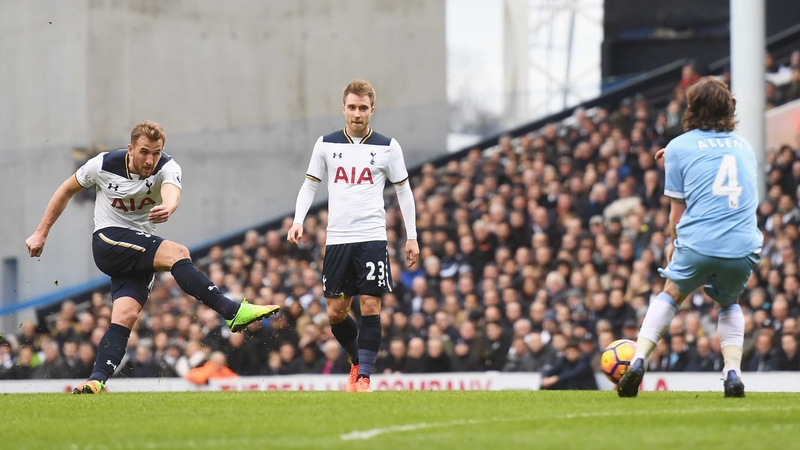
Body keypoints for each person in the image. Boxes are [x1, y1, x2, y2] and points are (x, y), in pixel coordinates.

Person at [25, 120, 280, 394]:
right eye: (144, 152)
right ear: (130, 149)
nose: (150, 160)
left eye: (156, 153)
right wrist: (41, 232)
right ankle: (231, 311)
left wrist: (168, 207)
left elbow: (172, 193)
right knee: (178, 253)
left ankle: (96, 380)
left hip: (139, 251)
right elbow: (66, 190)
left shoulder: (168, 167)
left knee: (125, 316)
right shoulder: (102, 165)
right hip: (108, 242)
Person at [618, 78, 762, 398]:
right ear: (728, 108)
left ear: (692, 108)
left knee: (671, 294)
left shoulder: (679, 147)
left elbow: (677, 214)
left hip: (699, 242)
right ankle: (732, 372)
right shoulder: (745, 146)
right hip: (742, 245)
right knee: (729, 303)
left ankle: (639, 359)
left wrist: (674, 244)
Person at [288, 79, 419, 392]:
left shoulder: (388, 147)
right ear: (343, 109)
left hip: (372, 236)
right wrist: (298, 220)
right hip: (337, 238)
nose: (357, 113)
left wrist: (412, 236)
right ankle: (357, 360)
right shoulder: (326, 144)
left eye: (363, 107)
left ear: (372, 110)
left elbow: (404, 191)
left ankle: (364, 378)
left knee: (371, 306)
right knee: (336, 313)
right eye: (352, 107)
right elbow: (310, 184)